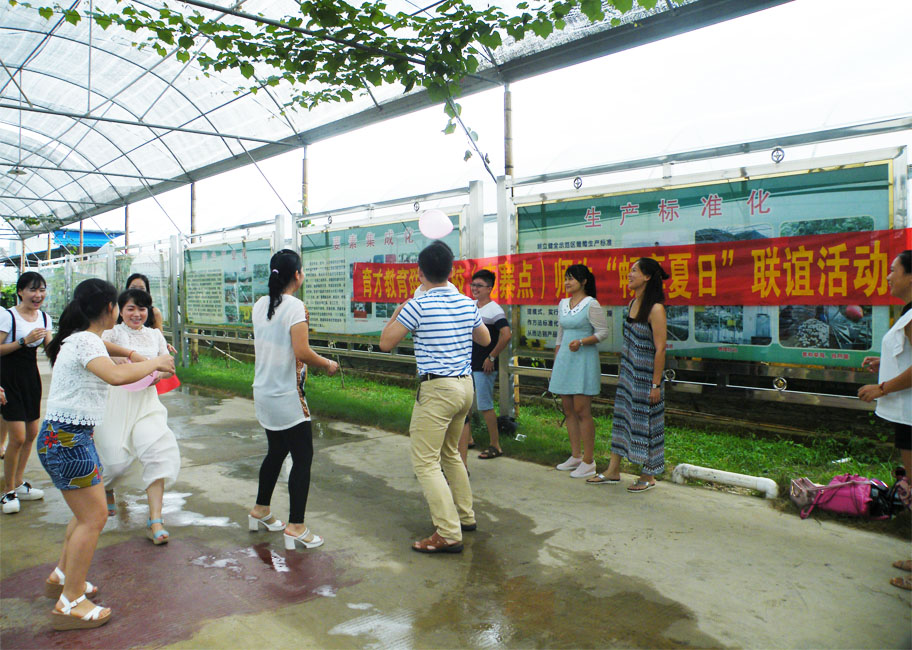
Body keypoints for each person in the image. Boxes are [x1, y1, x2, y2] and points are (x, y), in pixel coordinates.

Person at [39, 278, 174, 630]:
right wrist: (155, 362)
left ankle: (63, 576)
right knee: (94, 518)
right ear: (109, 309)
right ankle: (70, 602)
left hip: (65, 438)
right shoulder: (86, 340)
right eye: (120, 304)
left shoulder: (81, 337)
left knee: (84, 515)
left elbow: (110, 350)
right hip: (69, 440)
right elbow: (114, 377)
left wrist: (132, 354)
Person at [380, 241, 490, 554]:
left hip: (438, 390)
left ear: (420, 273)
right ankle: (465, 517)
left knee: (425, 462)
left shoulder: (418, 305)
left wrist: (399, 311)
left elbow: (386, 343)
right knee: (450, 453)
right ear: (451, 271)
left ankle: (448, 532)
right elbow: (484, 338)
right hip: (465, 387)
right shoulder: (467, 303)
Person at [249, 249, 339, 551]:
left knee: (276, 451)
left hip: (263, 391)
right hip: (287, 394)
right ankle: (296, 526)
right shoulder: (295, 307)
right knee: (303, 457)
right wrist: (327, 364)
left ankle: (260, 510)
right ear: (297, 275)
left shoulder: (260, 305)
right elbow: (302, 351)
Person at [95, 289, 181, 544]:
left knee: (157, 452)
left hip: (147, 404)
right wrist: (117, 360)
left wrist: (155, 375)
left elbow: (168, 367)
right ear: (120, 310)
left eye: (142, 309)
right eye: (130, 308)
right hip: (116, 404)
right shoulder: (112, 334)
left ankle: (155, 520)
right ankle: (107, 487)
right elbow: (100, 356)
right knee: (114, 463)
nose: (136, 314)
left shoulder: (155, 335)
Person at [588, 258, 668, 492]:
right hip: (628, 376)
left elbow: (661, 349)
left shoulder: (656, 309)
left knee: (648, 425)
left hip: (647, 378)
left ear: (647, 277)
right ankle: (613, 470)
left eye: (634, 270)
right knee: (622, 420)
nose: (629, 274)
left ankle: (648, 475)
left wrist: (655, 384)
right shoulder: (632, 303)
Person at [858, 249, 911, 591]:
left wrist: (881, 388)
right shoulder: (908, 313)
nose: (889, 276)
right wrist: (885, 363)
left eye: (894, 270)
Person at [549, 264, 609, 479]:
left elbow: (603, 332)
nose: (567, 282)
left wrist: (582, 341)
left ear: (584, 282)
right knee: (568, 409)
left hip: (583, 359)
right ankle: (575, 455)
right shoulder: (563, 304)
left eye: (571, 279)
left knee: (582, 409)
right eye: (566, 278)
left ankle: (589, 461)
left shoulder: (591, 304)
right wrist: (557, 359)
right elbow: (560, 334)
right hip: (565, 359)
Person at [0, 272, 52, 515]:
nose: (38, 295)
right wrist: (24, 340)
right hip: (8, 379)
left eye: (41, 290)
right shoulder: (8, 316)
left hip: (31, 379)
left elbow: (51, 349)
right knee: (18, 437)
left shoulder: (44, 317)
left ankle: (19, 483)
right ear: (20, 292)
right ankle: (7, 490)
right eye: (32, 289)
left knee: (31, 433)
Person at [458, 270, 512, 463]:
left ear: (489, 288)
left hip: (484, 366)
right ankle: (468, 439)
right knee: (465, 404)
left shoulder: (494, 310)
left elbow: (506, 334)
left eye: (479, 286)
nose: (475, 289)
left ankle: (495, 445)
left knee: (485, 405)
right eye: (473, 285)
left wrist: (492, 356)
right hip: (468, 364)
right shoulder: (471, 306)